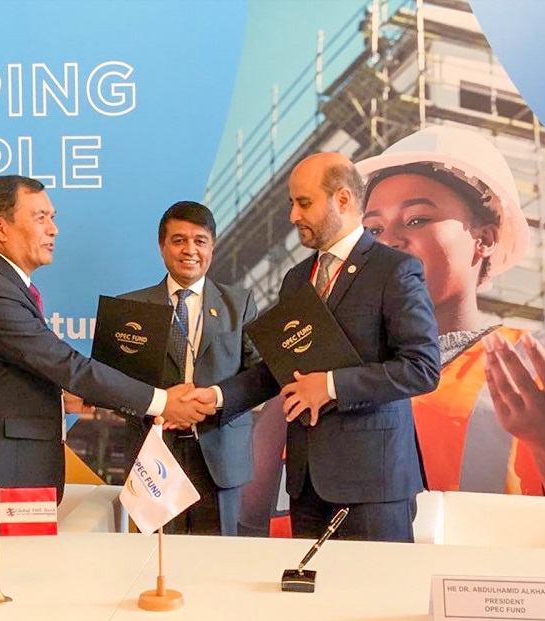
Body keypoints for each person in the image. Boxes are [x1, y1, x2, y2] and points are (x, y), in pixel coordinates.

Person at [356, 126, 545, 528]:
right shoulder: (318, 373)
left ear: (484, 239)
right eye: (373, 229)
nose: (388, 241)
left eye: (417, 219)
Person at [0, 175, 214, 528]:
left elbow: (10, 378)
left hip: (0, 475)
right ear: (0, 227)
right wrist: (162, 401)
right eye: (40, 217)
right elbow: (67, 366)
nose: (53, 229)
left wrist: (60, 398)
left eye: (52, 217)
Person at [187, 152, 440, 543]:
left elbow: (421, 368)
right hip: (306, 486)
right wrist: (217, 398)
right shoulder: (296, 278)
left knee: (376, 585)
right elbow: (279, 367)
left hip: (374, 485)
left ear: (342, 200)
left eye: (303, 203)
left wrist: (330, 386)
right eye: (292, 203)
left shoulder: (394, 270)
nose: (293, 216)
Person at [119, 201, 259, 536]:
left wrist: (217, 398)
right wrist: (159, 407)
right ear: (162, 246)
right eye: (179, 240)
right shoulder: (131, 308)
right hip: (155, 455)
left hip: (220, 457)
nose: (190, 250)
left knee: (218, 561)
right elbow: (114, 384)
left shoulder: (238, 305)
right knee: (155, 560)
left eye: (200, 240)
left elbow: (260, 375)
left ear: (212, 246)